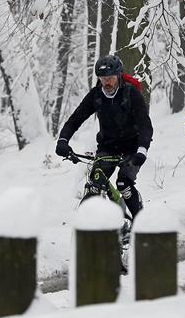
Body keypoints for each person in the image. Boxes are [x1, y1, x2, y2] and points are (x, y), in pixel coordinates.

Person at [55, 55, 152, 221]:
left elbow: (145, 125)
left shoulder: (131, 93)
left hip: (132, 147)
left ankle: (140, 224)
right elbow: (76, 119)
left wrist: (142, 150)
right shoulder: (96, 96)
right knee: (95, 185)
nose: (106, 82)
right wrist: (63, 140)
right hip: (108, 146)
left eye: (110, 78)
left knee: (124, 183)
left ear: (119, 76)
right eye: (102, 78)